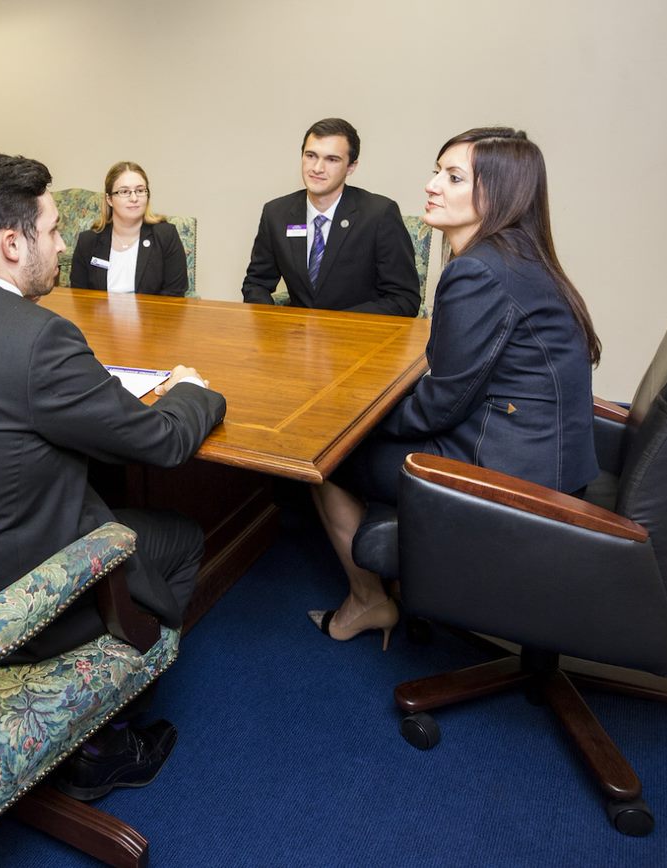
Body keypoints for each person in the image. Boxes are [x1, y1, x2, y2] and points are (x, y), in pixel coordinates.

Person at [0, 153, 226, 800]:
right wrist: (189, 390)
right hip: (23, 595)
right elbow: (160, 442)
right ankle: (100, 738)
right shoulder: (41, 338)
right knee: (180, 537)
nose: (64, 244)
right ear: (12, 244)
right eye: (52, 230)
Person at [309, 127, 602, 649]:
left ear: (497, 194)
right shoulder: (516, 257)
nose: (431, 184)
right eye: (436, 170)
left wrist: (360, 419)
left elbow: (440, 405)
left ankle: (368, 601)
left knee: (326, 454)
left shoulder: (478, 272)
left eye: (453, 176)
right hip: (550, 455)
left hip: (514, 474)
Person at [240, 118, 420, 315]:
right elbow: (256, 283)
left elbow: (404, 299)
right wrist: (272, 323)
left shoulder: (379, 214)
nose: (317, 168)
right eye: (311, 156)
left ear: (351, 167)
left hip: (358, 337)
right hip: (295, 338)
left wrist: (337, 325)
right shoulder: (276, 213)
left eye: (332, 159)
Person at [68, 161, 188, 295]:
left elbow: (175, 295)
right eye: (124, 191)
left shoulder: (166, 235)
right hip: (98, 316)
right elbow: (79, 297)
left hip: (152, 315)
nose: (134, 198)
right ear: (109, 199)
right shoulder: (88, 241)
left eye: (140, 190)